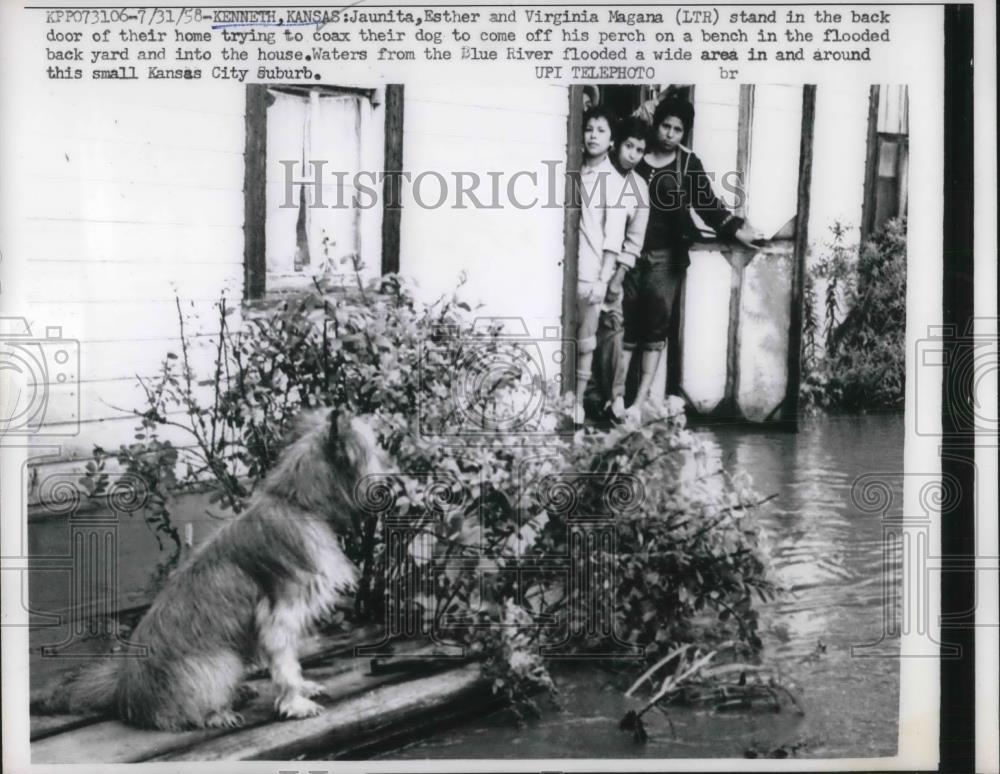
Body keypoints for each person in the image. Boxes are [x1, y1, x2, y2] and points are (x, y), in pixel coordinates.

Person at [618, 96, 761, 421]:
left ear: (684, 133)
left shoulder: (687, 164)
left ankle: (637, 405)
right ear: (656, 125)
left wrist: (736, 228)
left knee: (654, 331)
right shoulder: (635, 156)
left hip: (665, 259)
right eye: (665, 126)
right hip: (628, 255)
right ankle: (616, 400)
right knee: (622, 328)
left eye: (677, 129)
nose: (669, 134)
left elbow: (708, 206)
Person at [584, 116, 650, 422]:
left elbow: (634, 240)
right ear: (616, 144)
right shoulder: (596, 173)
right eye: (629, 146)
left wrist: (617, 277)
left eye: (639, 149)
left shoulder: (638, 188)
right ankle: (591, 396)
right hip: (587, 261)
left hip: (616, 269)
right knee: (585, 330)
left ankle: (616, 397)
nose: (633, 155)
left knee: (612, 327)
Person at [572, 106, 627, 426]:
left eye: (601, 130)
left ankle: (578, 403)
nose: (593, 135)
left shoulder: (614, 183)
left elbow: (614, 238)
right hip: (568, 266)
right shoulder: (574, 170)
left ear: (611, 140)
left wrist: (603, 280)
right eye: (589, 128)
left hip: (591, 271)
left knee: (587, 340)